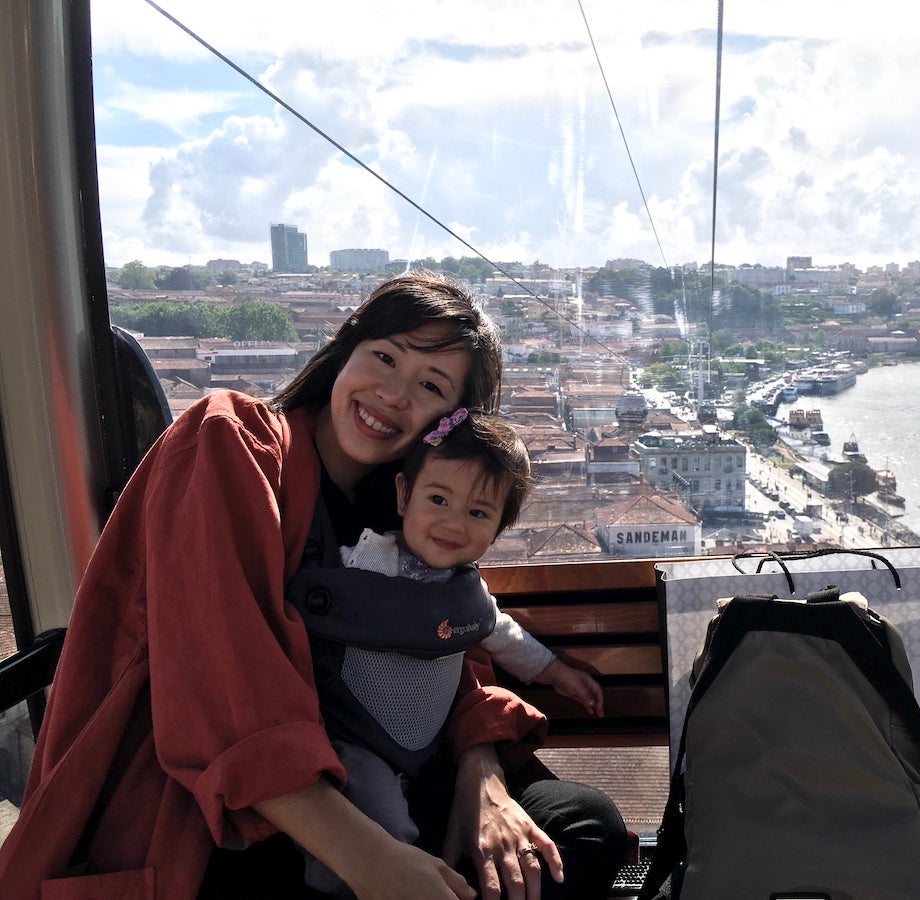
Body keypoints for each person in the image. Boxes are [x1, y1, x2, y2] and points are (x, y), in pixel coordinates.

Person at [0, 273, 628, 900]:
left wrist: (481, 775)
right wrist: (378, 865)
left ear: (452, 420)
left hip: (399, 781)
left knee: (579, 827)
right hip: (238, 809)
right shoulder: (230, 444)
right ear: (344, 348)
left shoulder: (417, 509)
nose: (391, 394)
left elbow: (451, 647)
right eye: (384, 356)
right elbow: (223, 691)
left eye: (430, 386)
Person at [303, 409, 604, 894]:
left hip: (430, 752)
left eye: (477, 513)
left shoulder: (468, 593)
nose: (452, 523)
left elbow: (502, 636)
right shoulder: (366, 559)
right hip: (356, 742)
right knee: (388, 835)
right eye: (437, 499)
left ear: (498, 527)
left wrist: (554, 672)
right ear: (403, 495)